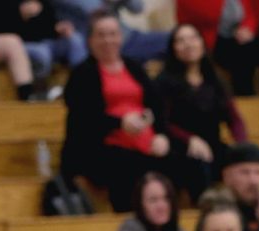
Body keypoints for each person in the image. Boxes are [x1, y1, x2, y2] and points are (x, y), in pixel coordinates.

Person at [60, 10, 175, 212]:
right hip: (99, 147)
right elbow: (83, 120)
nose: (108, 40)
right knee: (130, 166)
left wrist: (162, 136)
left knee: (184, 160)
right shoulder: (82, 74)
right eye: (101, 35)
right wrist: (119, 123)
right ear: (90, 40)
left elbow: (156, 106)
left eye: (113, 34)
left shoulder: (134, 67)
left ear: (121, 37)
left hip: (142, 142)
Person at [156, 23, 249, 203]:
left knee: (248, 159)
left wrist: (242, 145)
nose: (188, 44)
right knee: (198, 162)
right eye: (181, 41)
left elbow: (234, 119)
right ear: (173, 48)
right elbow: (163, 122)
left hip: (213, 143)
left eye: (193, 38)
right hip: (180, 147)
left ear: (201, 43)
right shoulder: (163, 82)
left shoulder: (214, 79)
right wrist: (190, 139)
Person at [175, 0, 259, 95]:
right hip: (209, 40)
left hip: (241, 40)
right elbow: (205, 16)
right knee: (243, 54)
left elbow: (250, 14)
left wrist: (248, 28)